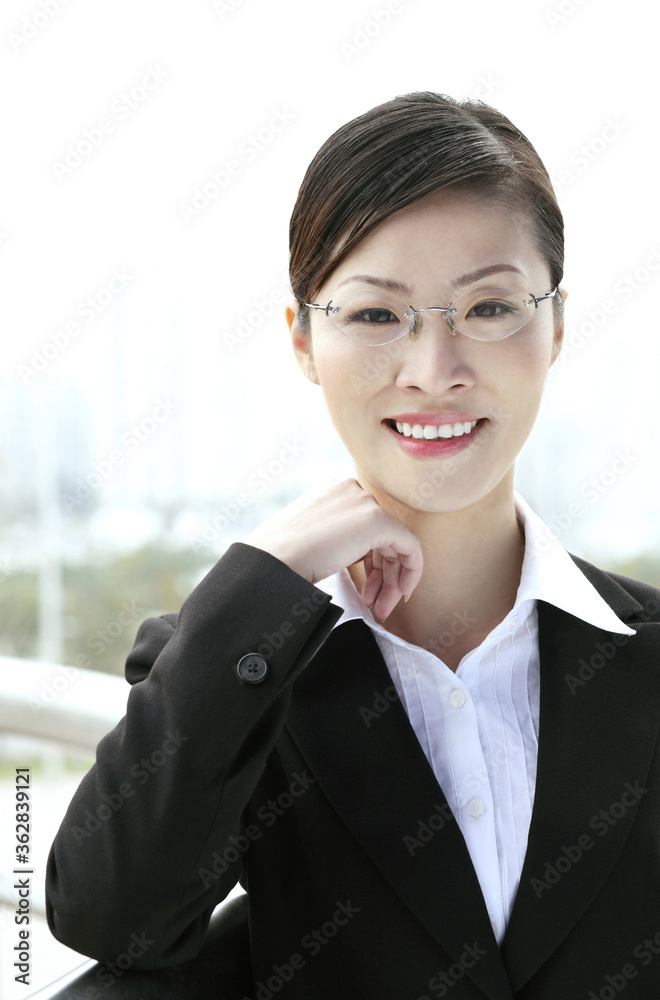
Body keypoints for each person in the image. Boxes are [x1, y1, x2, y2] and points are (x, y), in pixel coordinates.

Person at [45, 92, 660, 999]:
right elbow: (109, 917)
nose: (434, 372)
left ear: (557, 325)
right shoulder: (235, 665)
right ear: (303, 339)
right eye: (376, 315)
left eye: (490, 307)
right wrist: (268, 576)